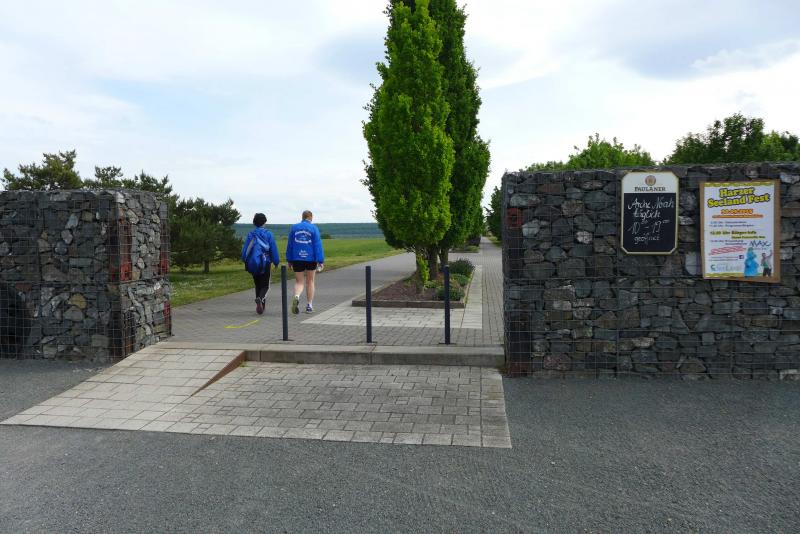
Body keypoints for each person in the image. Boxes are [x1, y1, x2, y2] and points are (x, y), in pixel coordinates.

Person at [285, 210, 325, 314]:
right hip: (311, 259)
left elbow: (290, 244)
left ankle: (297, 296)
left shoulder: (294, 228)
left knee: (299, 282)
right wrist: (320, 260)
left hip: (297, 258)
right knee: (310, 281)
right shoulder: (314, 228)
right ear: (311, 217)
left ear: (302, 217)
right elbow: (317, 245)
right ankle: (309, 306)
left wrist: (289, 259)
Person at [241, 213, 280, 315]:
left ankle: (261, 306)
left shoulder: (251, 234)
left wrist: (245, 260)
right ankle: (260, 299)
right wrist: (276, 261)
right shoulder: (268, 234)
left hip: (253, 263)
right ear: (264, 222)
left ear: (254, 223)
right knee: (265, 285)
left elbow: (245, 250)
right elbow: (273, 249)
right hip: (265, 262)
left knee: (258, 284)